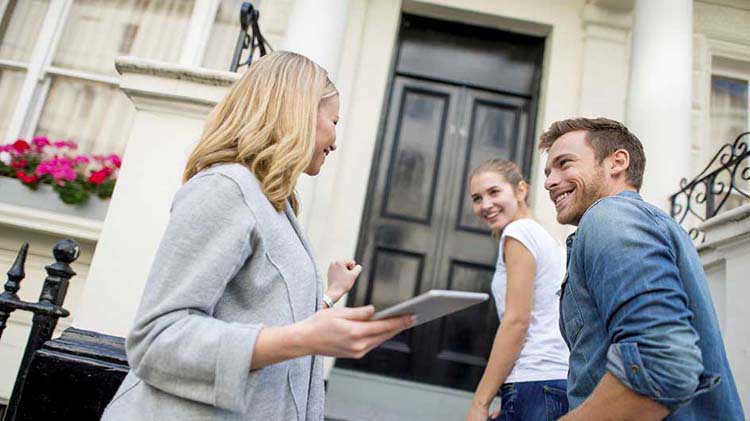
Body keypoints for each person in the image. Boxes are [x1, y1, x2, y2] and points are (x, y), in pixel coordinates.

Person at [101, 51, 412, 421]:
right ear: (296, 113)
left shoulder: (273, 203)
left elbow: (257, 313)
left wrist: (328, 297)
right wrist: (303, 339)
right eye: (333, 121)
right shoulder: (224, 189)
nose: (335, 141)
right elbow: (156, 340)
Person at [539, 117, 744, 420]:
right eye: (547, 172)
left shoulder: (610, 218)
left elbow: (662, 363)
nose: (549, 182)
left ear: (617, 162)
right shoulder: (648, 223)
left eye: (564, 163)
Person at [465, 159, 569, 421]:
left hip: (535, 378)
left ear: (521, 190)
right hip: (552, 381)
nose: (485, 205)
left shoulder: (519, 232)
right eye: (477, 198)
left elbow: (517, 321)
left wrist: (480, 402)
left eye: (494, 192)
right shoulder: (546, 238)